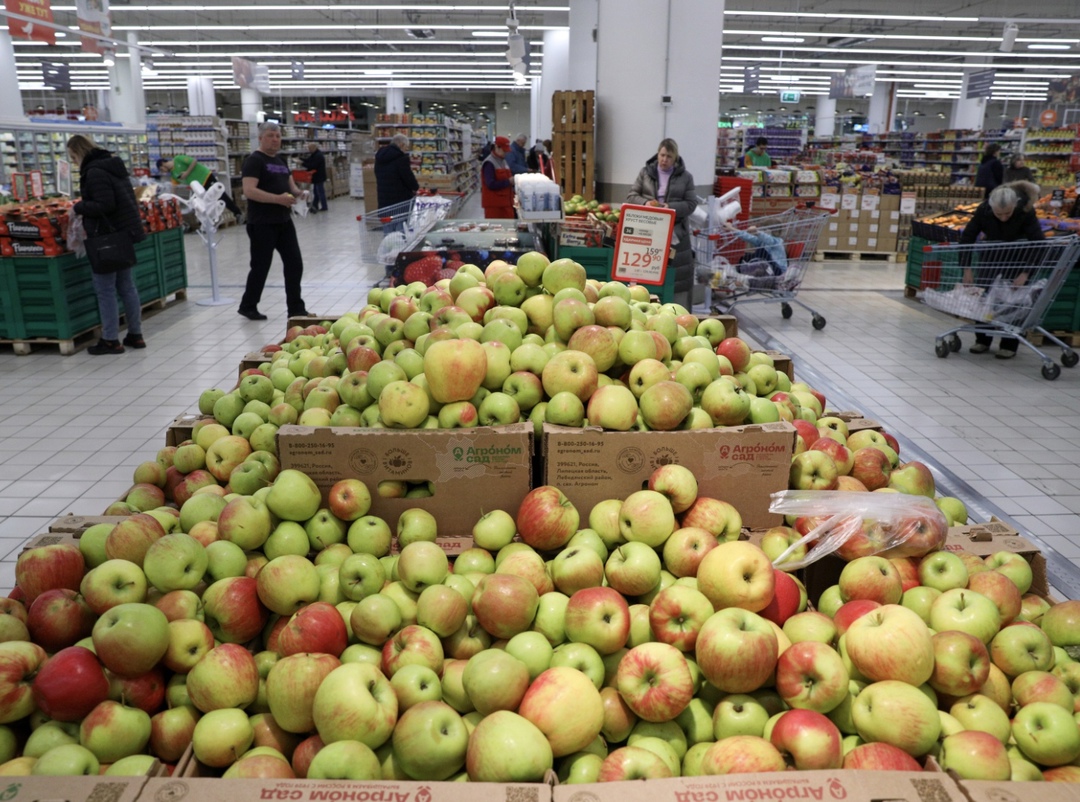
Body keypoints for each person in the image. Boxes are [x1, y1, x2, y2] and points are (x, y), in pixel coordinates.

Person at [68, 134, 147, 355]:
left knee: (105, 290)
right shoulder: (112, 165)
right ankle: (135, 334)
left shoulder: (94, 172)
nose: (74, 163)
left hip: (105, 238)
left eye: (73, 157)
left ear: (78, 153)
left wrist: (79, 207)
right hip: (122, 235)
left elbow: (105, 204)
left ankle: (111, 339)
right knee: (126, 286)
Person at [960, 181, 1045, 359]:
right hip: (991, 258)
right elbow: (967, 237)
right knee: (985, 299)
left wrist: (1026, 273)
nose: (1004, 218)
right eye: (999, 214)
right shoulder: (984, 210)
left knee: (1014, 303)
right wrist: (966, 268)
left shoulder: (1025, 211)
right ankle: (982, 339)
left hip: (1018, 261)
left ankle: (1009, 344)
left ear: (1015, 205)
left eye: (1008, 213)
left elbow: (1039, 243)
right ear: (991, 208)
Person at [237, 121, 309, 321]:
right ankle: (248, 305)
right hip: (261, 222)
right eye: (270, 135)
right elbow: (249, 191)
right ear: (260, 138)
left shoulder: (280, 161)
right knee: (261, 266)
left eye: (278, 136)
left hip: (283, 221)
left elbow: (290, 186)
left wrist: (299, 193)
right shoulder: (254, 161)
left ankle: (295, 308)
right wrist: (278, 199)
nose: (275, 139)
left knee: (295, 263)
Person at [627, 138, 700, 274]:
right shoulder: (645, 173)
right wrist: (645, 203)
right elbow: (631, 196)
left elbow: (691, 204)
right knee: (647, 271)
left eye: (669, 156)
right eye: (662, 155)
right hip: (648, 229)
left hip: (675, 231)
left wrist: (670, 208)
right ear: (657, 154)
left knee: (673, 273)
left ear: (675, 158)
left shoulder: (686, 177)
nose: (664, 159)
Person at [157, 156, 243, 220]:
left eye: (161, 169)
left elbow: (194, 161)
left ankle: (237, 213)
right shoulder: (173, 174)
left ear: (163, 164)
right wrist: (171, 199)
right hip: (198, 188)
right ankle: (211, 223)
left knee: (220, 196)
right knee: (204, 205)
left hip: (205, 177)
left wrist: (187, 173)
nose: (163, 172)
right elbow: (174, 187)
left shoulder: (178, 159)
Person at [374, 134, 419, 230]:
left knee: (388, 231)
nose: (406, 150)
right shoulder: (401, 159)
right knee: (401, 231)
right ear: (401, 145)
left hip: (384, 201)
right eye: (406, 147)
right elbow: (408, 178)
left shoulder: (379, 157)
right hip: (400, 201)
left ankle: (388, 243)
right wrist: (416, 188)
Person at [480, 135, 514, 219]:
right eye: (504, 150)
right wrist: (508, 182)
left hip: (505, 203)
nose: (506, 153)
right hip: (494, 207)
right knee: (495, 230)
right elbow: (490, 184)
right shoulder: (489, 163)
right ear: (497, 147)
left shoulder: (503, 161)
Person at [300, 142, 328, 213]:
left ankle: (324, 206)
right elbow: (309, 160)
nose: (308, 150)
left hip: (319, 176)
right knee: (316, 192)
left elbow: (312, 165)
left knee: (320, 192)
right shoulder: (315, 154)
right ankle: (315, 205)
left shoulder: (318, 156)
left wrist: (302, 163)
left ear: (314, 148)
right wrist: (301, 159)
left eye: (309, 148)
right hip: (316, 177)